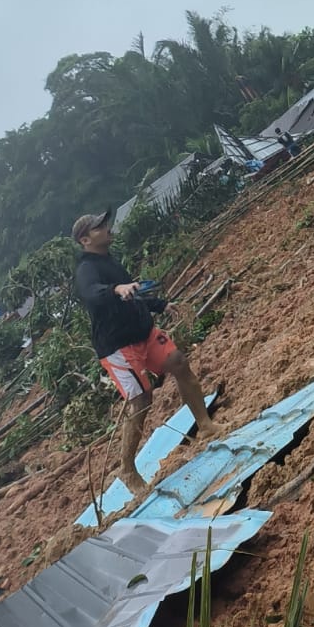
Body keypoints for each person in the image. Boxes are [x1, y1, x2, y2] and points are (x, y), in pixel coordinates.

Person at [72, 211, 218, 492]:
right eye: (100, 227)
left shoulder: (109, 260)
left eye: (105, 224)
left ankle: (206, 424)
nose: (107, 228)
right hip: (118, 346)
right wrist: (116, 289)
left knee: (179, 362)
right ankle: (127, 469)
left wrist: (160, 305)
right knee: (141, 399)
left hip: (143, 332)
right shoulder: (87, 269)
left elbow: (130, 296)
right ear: (85, 239)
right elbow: (93, 294)